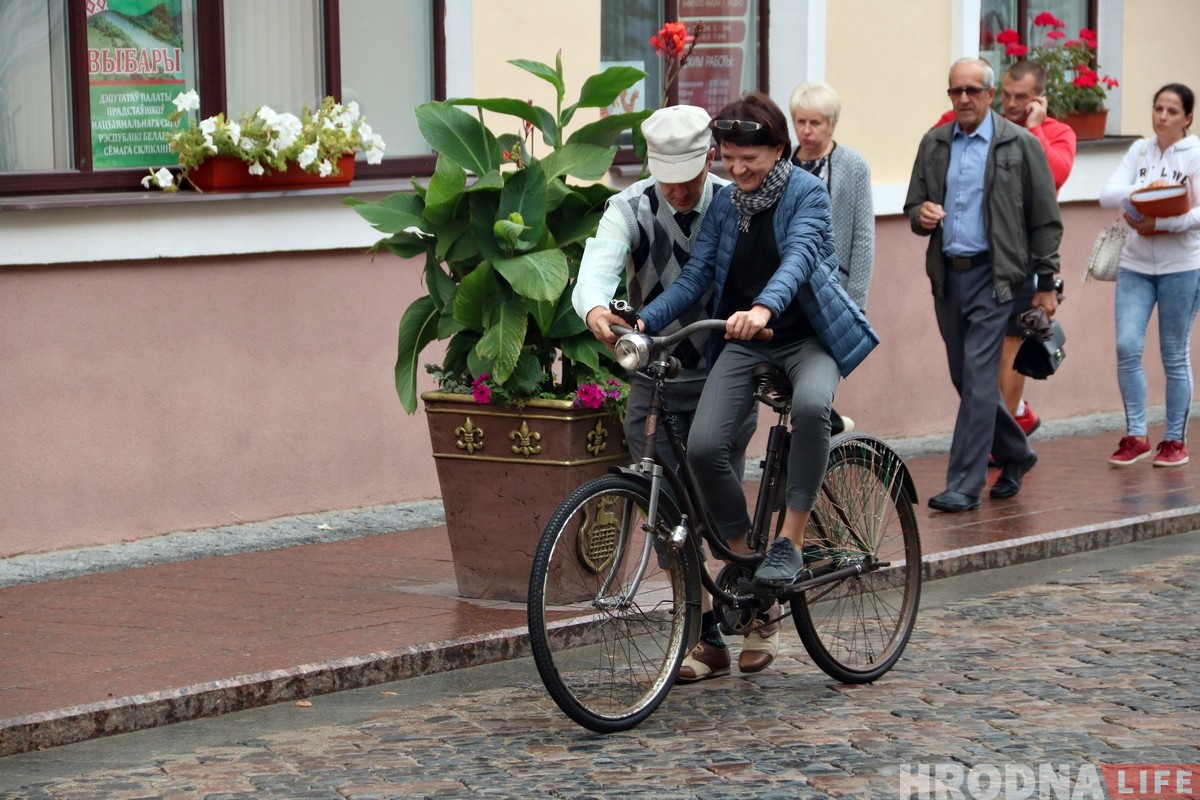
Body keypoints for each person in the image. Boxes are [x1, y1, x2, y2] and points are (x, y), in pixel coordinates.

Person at [636, 91, 876, 674]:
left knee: (815, 406)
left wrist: (766, 308)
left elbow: (797, 259)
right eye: (730, 159)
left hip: (807, 334)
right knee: (702, 446)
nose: (737, 171)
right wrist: (642, 321)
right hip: (745, 339)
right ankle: (747, 555)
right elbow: (695, 276)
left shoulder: (806, 192)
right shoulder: (725, 206)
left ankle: (790, 539)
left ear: (778, 150)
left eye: (751, 159)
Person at [572, 105, 757, 682]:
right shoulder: (628, 207)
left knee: (715, 486)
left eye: (689, 176)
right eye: (666, 177)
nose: (677, 190)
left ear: (709, 159)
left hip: (723, 369)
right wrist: (598, 308)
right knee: (663, 507)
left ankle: (757, 600)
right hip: (654, 374)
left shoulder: (734, 203)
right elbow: (597, 267)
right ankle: (703, 635)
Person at [905, 58, 1062, 512]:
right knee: (965, 378)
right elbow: (913, 204)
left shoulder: (1020, 144)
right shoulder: (935, 143)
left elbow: (1045, 219)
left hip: (998, 278)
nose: (964, 99)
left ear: (991, 95)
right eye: (956, 91)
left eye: (973, 90)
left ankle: (964, 484)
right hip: (949, 277)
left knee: (977, 377)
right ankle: (1017, 452)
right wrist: (923, 214)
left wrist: (1047, 282)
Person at [936, 60, 1077, 437]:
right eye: (1009, 96)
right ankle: (1009, 425)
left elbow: (1057, 174)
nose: (1013, 104)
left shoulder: (1056, 132)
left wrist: (1034, 130)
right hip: (982, 257)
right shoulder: (986, 129)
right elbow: (940, 140)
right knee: (977, 357)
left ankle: (1008, 427)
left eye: (1023, 98)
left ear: (1040, 99)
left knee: (1010, 346)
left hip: (1025, 258)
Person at [1099, 83, 1200, 468]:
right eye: (1158, 108)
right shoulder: (1139, 149)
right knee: (1127, 347)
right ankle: (1136, 435)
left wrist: (1163, 222)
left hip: (1182, 268)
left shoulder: (1194, 154)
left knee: (1174, 354)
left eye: (1172, 111)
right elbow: (1108, 194)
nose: (1162, 117)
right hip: (1135, 265)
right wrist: (1149, 189)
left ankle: (1175, 440)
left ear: (1187, 118)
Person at [789, 81, 875, 435]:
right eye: (800, 122)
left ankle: (820, 427)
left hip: (830, 287)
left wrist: (856, 301)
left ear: (832, 124)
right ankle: (825, 424)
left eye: (816, 123)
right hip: (787, 286)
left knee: (816, 368)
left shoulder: (852, 166)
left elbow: (863, 235)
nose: (807, 131)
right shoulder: (784, 162)